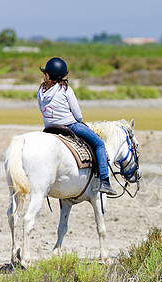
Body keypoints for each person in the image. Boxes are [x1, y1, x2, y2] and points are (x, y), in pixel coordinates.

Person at [37, 57, 118, 195]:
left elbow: (41, 109)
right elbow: (78, 115)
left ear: (47, 74)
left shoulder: (41, 91)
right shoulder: (66, 90)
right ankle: (104, 180)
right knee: (99, 144)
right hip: (70, 125)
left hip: (49, 128)